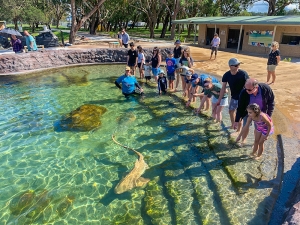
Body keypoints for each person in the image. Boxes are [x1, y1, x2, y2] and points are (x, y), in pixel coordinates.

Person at [234, 78, 275, 144]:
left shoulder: (265, 89)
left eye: (249, 90)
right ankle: (243, 140)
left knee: (258, 128)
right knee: (246, 125)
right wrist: (236, 120)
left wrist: (268, 116)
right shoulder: (244, 92)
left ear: (256, 87)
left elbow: (271, 102)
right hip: (248, 112)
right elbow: (240, 107)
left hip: (260, 113)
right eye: (245, 88)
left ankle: (256, 143)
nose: (247, 91)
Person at [216, 58, 249, 133]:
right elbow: (223, 88)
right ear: (230, 66)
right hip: (234, 96)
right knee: (231, 111)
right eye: (236, 65)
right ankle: (233, 124)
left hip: (242, 97)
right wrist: (219, 100)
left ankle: (238, 130)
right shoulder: (226, 75)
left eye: (239, 65)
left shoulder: (243, 74)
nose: (238, 66)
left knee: (239, 113)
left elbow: (249, 85)